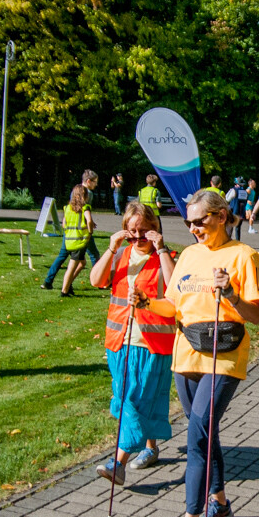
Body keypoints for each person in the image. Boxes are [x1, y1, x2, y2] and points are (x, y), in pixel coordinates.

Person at [139, 190, 259, 517]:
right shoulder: (190, 255)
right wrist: (146, 302)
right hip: (186, 353)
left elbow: (256, 315)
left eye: (200, 221)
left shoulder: (244, 256)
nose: (193, 228)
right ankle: (220, 504)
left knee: (197, 434)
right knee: (206, 433)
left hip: (223, 355)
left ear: (222, 216)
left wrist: (231, 295)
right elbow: (173, 305)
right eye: (189, 222)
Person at [90, 201, 177, 478]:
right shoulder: (120, 254)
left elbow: (176, 288)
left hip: (151, 343)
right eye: (132, 231)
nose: (138, 237)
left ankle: (118, 463)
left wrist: (161, 248)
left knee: (134, 397)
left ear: (155, 228)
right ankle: (150, 447)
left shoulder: (165, 256)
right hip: (119, 340)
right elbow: (95, 280)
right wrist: (111, 247)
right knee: (130, 396)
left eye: (144, 230)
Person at [42, 170, 101, 289]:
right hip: (82, 233)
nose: (96, 184)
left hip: (69, 231)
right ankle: (99, 281)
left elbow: (73, 212)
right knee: (94, 255)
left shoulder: (75, 191)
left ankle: (48, 281)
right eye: (95, 182)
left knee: (63, 256)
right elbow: (84, 212)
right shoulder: (88, 193)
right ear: (88, 181)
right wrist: (89, 229)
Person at [59, 184, 95, 297]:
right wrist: (90, 232)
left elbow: (64, 224)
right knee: (72, 266)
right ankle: (64, 290)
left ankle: (68, 284)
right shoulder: (85, 207)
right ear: (85, 196)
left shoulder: (67, 208)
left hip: (69, 240)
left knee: (82, 263)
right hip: (80, 241)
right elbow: (89, 220)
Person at [226, 177, 249, 241]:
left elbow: (227, 199)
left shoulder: (234, 190)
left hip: (233, 211)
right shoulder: (245, 192)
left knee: (230, 227)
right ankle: (238, 241)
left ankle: (228, 240)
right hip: (241, 212)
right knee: (238, 228)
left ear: (236, 183)